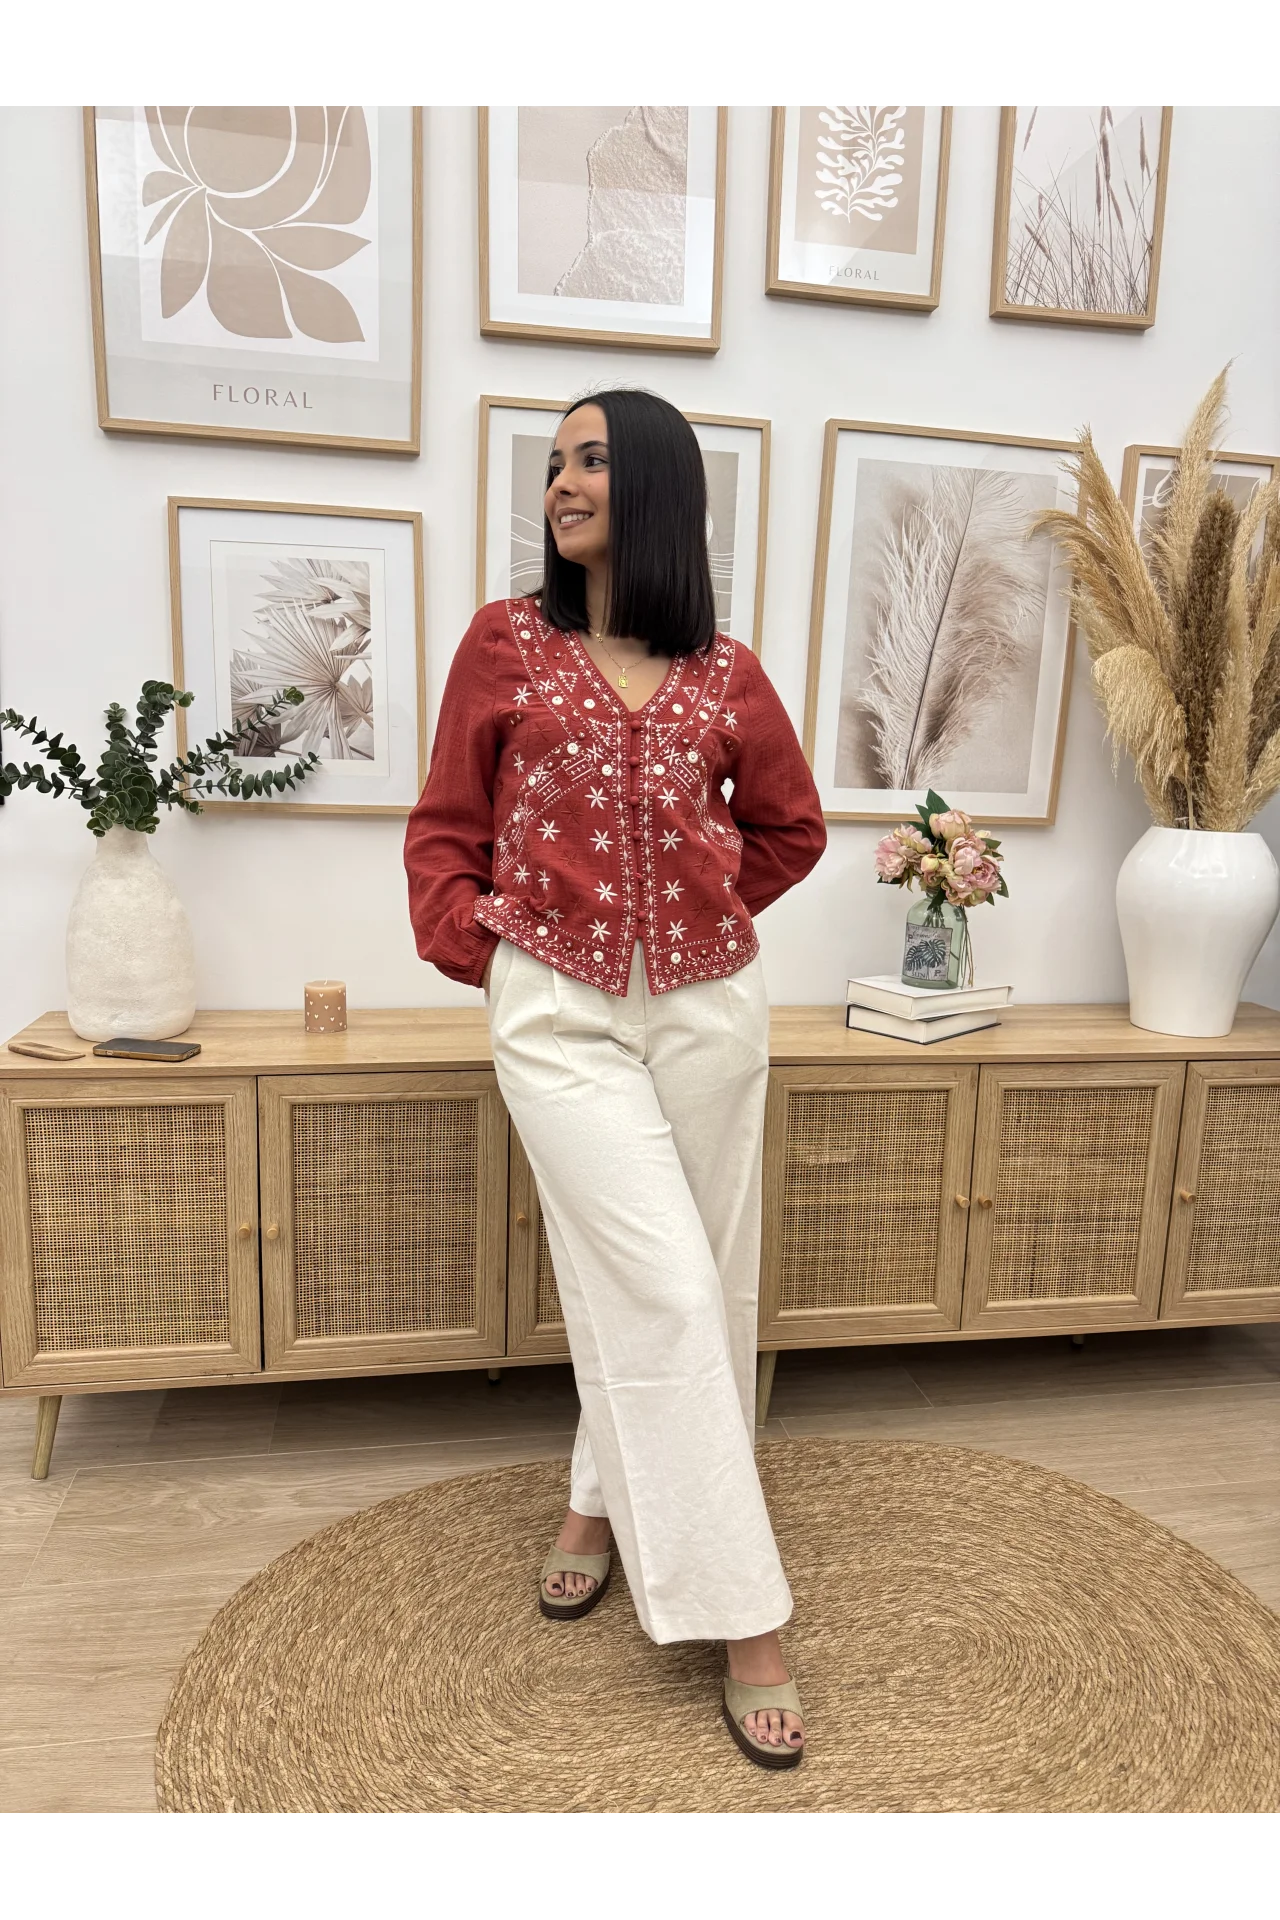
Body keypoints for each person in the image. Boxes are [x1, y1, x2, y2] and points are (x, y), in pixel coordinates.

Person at [404, 387, 827, 1768]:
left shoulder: (727, 671)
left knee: (698, 1281)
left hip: (708, 1011)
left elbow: (792, 827)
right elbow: (445, 826)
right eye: (553, 466)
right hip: (559, 1013)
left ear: (654, 485)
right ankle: (747, 1617)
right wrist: (489, 951)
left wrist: (704, 914)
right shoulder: (505, 644)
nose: (563, 485)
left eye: (590, 460)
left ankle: (594, 1503)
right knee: (664, 1287)